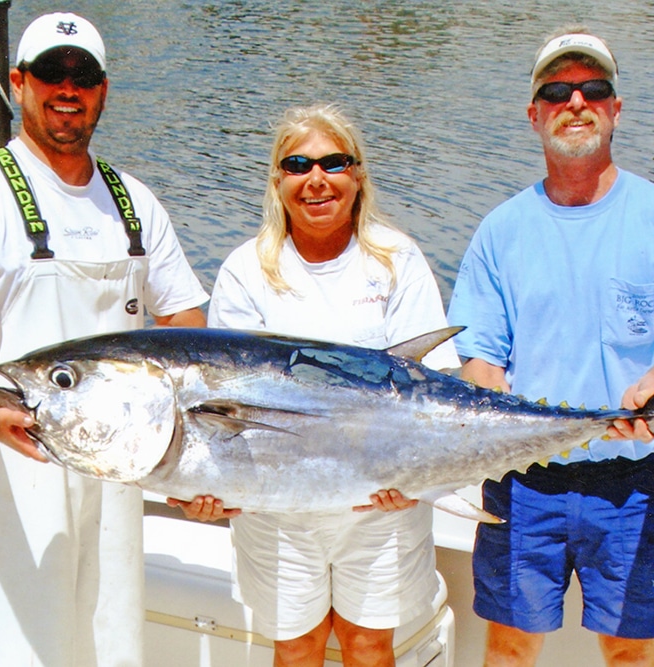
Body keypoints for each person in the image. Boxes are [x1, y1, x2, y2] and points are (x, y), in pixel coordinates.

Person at [0, 12, 208, 666]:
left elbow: (190, 335)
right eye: (51, 73)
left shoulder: (136, 206)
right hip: (15, 470)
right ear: (18, 83)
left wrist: (195, 462)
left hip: (120, 475)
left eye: (84, 76)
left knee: (111, 646)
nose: (66, 89)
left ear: (102, 90)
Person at [446, 27, 654, 667]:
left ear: (616, 108)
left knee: (629, 653)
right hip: (521, 479)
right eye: (558, 90)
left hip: (630, 480)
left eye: (593, 89)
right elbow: (481, 353)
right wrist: (494, 399)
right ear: (534, 114)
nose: (577, 102)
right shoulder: (501, 231)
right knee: (511, 648)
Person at [196, 103, 458, 666]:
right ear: (278, 180)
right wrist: (206, 489)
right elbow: (227, 410)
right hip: (276, 508)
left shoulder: (395, 260)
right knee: (296, 649)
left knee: (369, 647)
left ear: (357, 176)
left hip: (382, 502)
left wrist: (417, 476)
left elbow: (436, 393)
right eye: (297, 165)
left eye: (334, 163)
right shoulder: (247, 270)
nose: (316, 180)